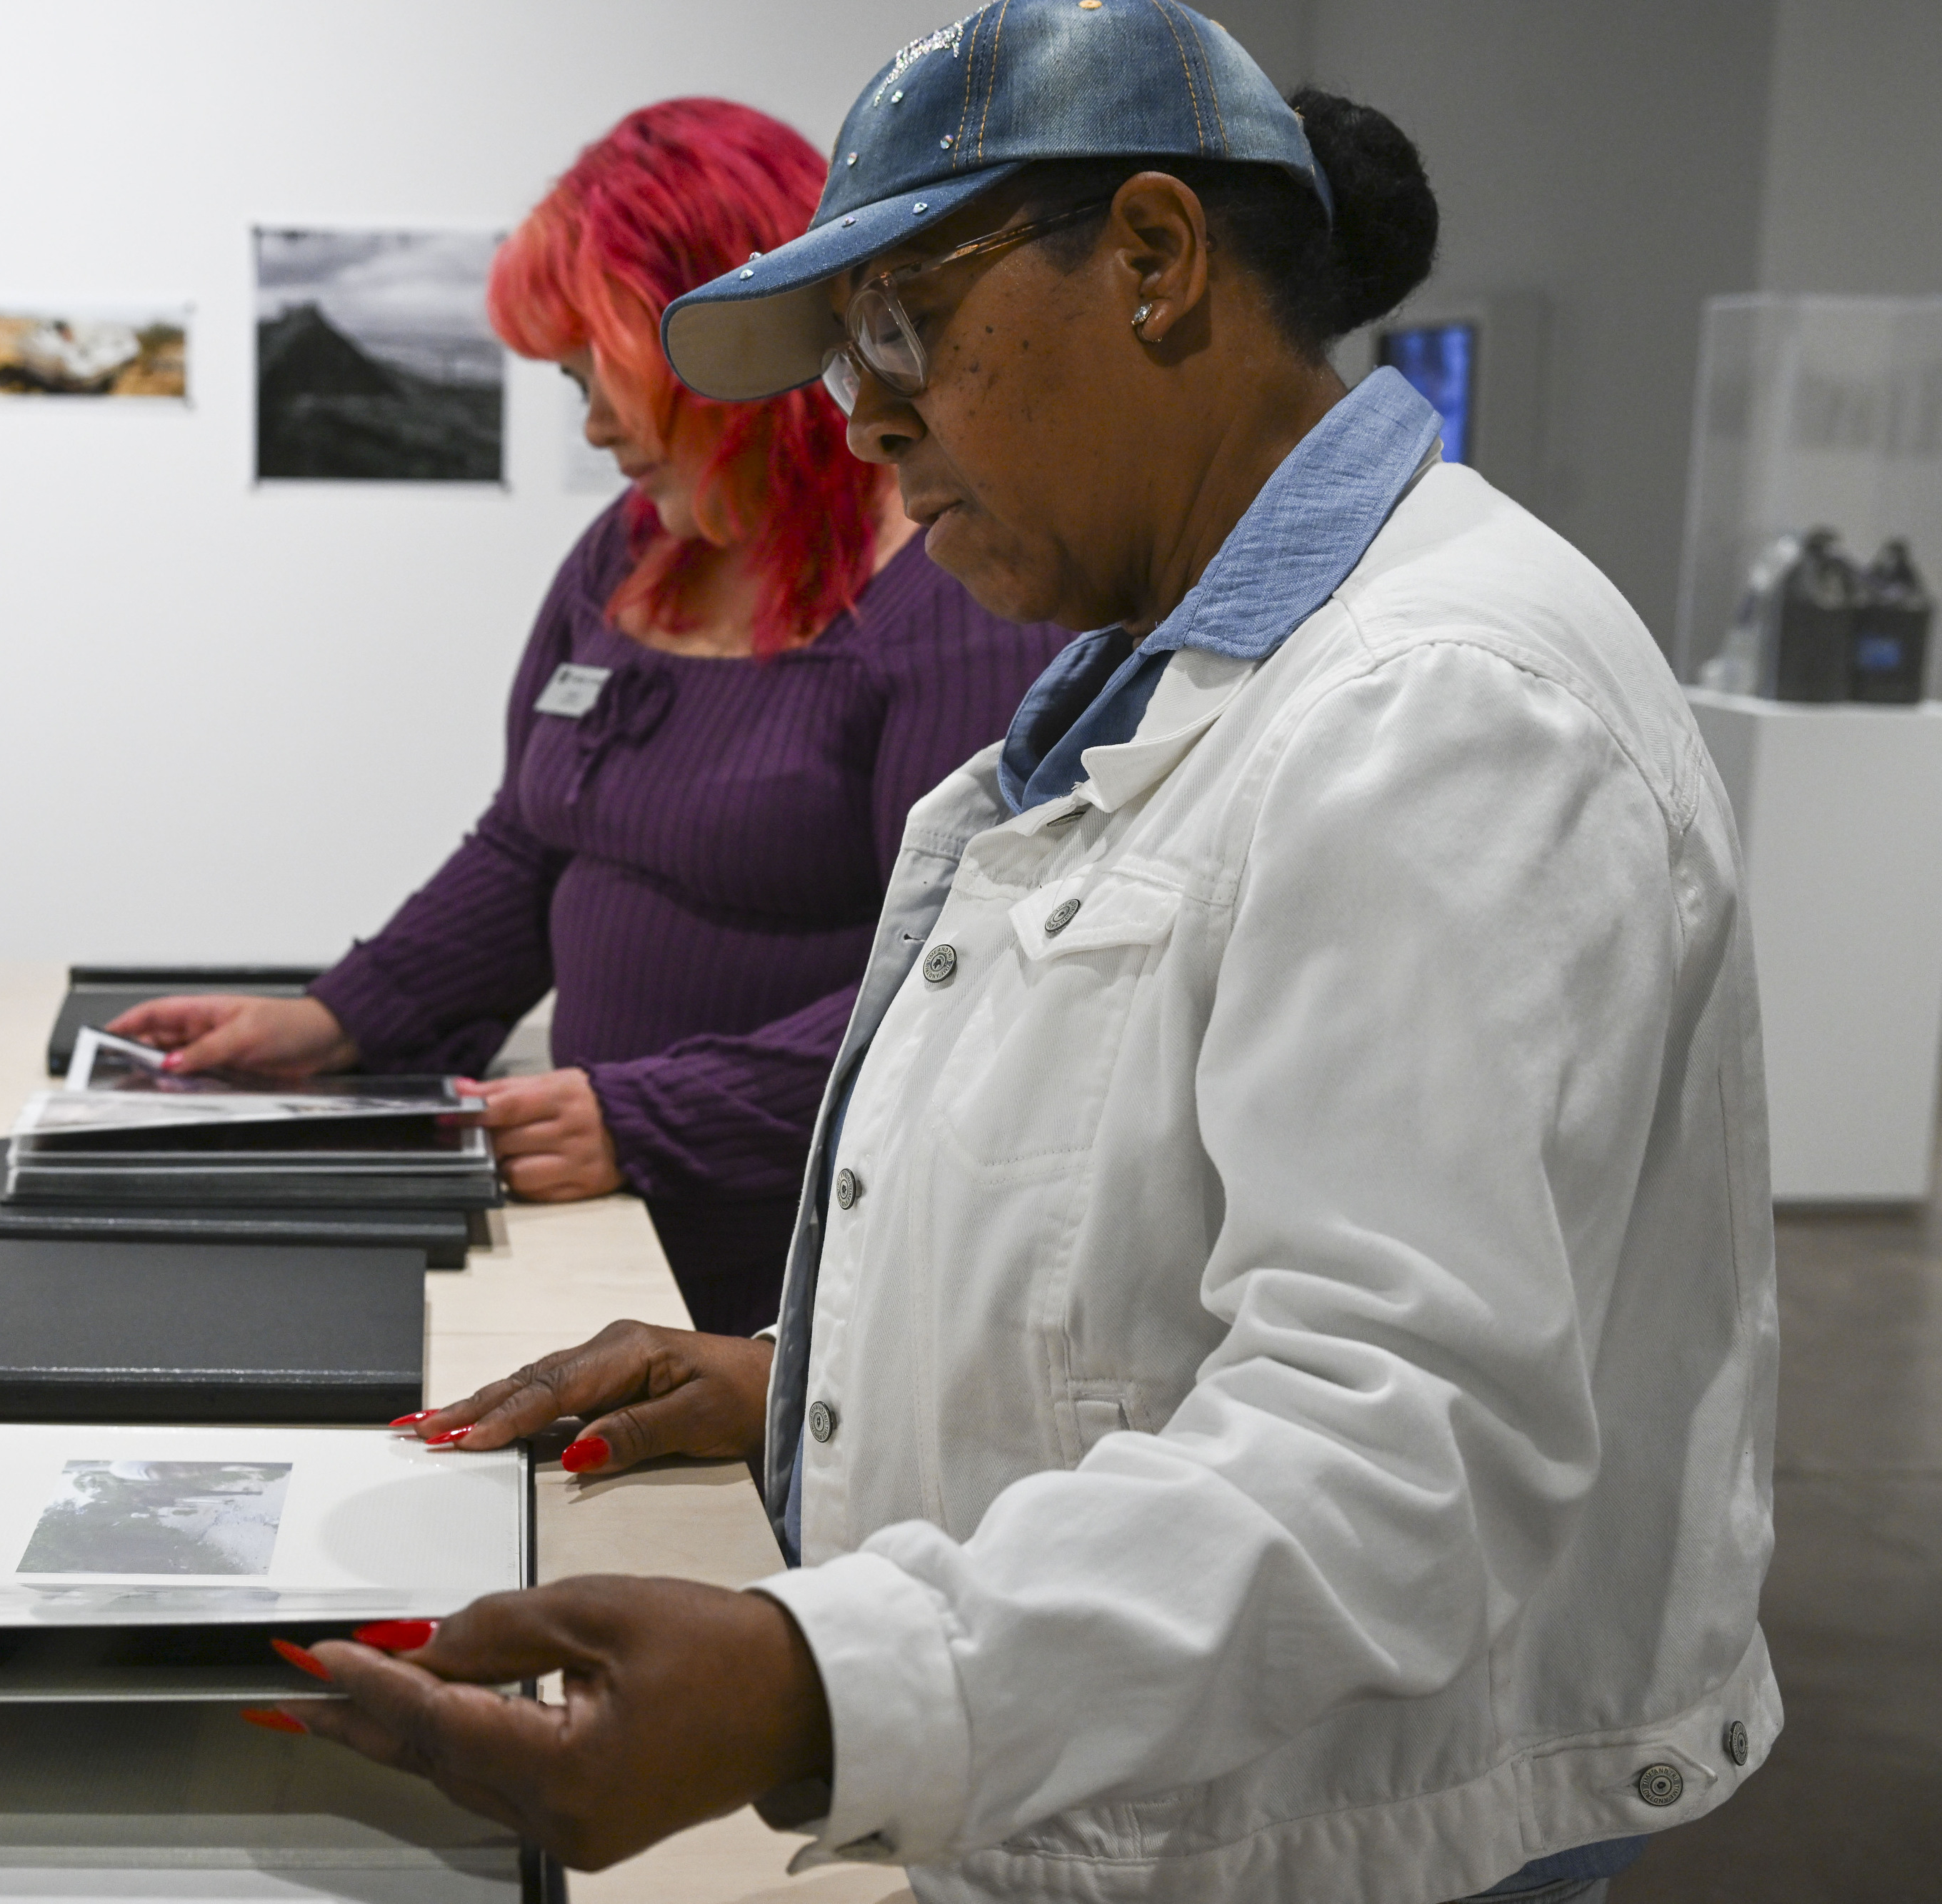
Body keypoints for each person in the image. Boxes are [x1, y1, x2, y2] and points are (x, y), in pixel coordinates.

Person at [249, 9, 1780, 1904]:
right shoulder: (1169, 667)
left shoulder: (1440, 713)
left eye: (900, 328)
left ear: (1152, 260)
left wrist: (817, 1684)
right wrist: (803, 1372)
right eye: (838, 362)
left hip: (1339, 1844)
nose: (862, 416)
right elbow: (1132, 1215)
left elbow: (1400, 1461)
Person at [113, 99, 1070, 1336]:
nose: (595, 425)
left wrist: (650, 1117)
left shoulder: (951, 599)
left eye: (597, 374)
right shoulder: (626, 555)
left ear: (739, 341)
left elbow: (965, 985)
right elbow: (531, 839)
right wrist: (340, 1014)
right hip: (611, 1228)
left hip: (803, 1273)